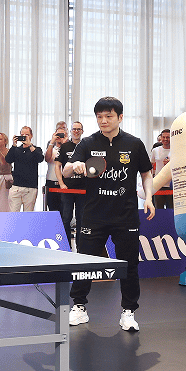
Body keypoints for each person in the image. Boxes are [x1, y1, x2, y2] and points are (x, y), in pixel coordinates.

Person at [61, 98, 154, 332]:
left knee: (129, 265)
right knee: (84, 262)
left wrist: (149, 198)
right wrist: (76, 165)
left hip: (126, 216)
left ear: (120, 117)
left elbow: (146, 173)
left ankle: (128, 311)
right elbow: (66, 170)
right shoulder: (88, 143)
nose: (103, 121)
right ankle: (79, 306)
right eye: (99, 117)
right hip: (94, 215)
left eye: (109, 116)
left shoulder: (134, 144)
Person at [54, 121, 86, 239]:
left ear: (82, 131)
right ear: (71, 131)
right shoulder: (65, 146)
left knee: (81, 218)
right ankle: (66, 245)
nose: (76, 131)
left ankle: (80, 245)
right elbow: (57, 166)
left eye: (78, 129)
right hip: (67, 188)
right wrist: (61, 183)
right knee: (66, 218)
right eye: (74, 129)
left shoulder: (86, 146)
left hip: (82, 189)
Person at [4, 125, 45, 211]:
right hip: (16, 186)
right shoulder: (16, 149)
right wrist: (14, 145)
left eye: (27, 135)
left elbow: (40, 159)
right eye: (22, 135)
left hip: (31, 187)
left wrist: (29, 145)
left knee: (28, 215)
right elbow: (8, 159)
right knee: (13, 213)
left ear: (31, 136)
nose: (24, 137)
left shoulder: (36, 149)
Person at [43, 121, 68, 212]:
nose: (60, 137)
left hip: (64, 182)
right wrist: (52, 142)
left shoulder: (68, 147)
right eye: (58, 134)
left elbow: (68, 161)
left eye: (62, 134)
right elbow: (47, 159)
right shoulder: (51, 147)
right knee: (52, 210)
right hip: (51, 182)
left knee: (65, 211)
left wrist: (65, 144)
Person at [151, 129, 173, 209]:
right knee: (158, 209)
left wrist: (171, 163)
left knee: (172, 209)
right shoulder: (155, 150)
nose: (165, 139)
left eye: (168, 137)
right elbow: (151, 166)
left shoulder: (175, 150)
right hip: (158, 183)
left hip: (172, 184)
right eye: (164, 137)